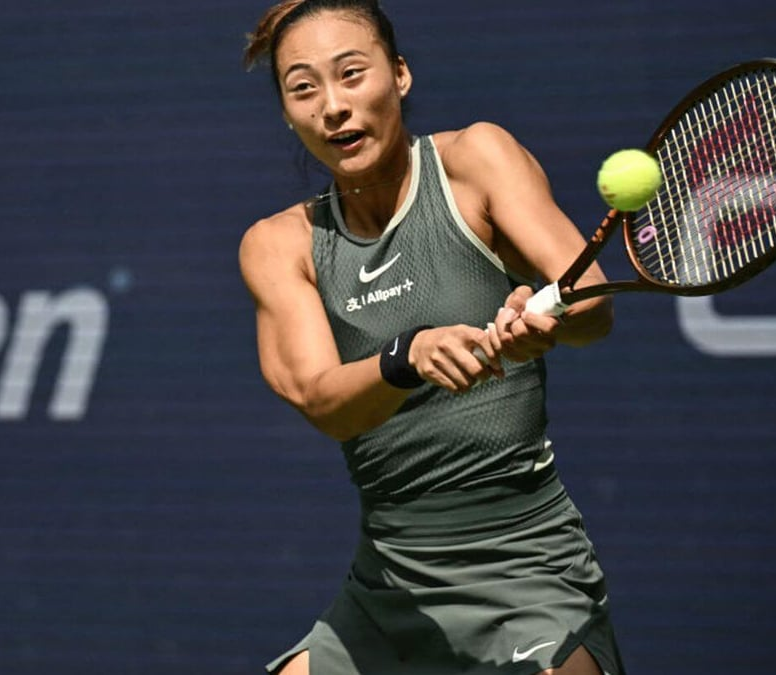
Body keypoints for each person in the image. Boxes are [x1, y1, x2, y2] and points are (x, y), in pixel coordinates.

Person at [238, 1, 624, 673]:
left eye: (352, 73)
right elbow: (325, 402)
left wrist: (545, 318)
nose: (333, 106)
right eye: (304, 88)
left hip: (528, 567)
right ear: (287, 114)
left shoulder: (477, 159)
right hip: (387, 591)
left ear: (401, 75)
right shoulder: (280, 245)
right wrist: (404, 356)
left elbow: (592, 306)